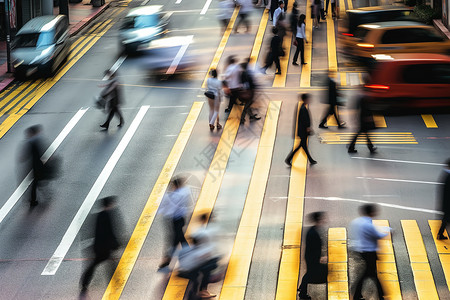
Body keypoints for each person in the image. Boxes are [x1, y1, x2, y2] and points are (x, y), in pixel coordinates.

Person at [80, 196, 120, 297]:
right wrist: (115, 243)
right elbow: (110, 232)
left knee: (96, 264)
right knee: (107, 263)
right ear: (109, 205)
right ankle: (114, 281)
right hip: (104, 247)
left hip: (98, 246)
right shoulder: (107, 216)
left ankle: (84, 283)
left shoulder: (99, 215)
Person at [350, 204, 389, 300]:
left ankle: (359, 294)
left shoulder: (356, 222)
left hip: (361, 250)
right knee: (370, 274)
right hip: (369, 252)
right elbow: (377, 235)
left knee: (370, 273)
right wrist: (388, 231)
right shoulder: (367, 224)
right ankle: (381, 295)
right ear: (371, 212)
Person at [158, 176, 191, 269]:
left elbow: (165, 204)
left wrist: (170, 188)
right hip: (181, 218)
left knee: (175, 240)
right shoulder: (185, 191)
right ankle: (187, 256)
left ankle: (168, 260)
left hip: (175, 220)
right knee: (179, 238)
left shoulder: (174, 196)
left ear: (175, 186)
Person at [298, 212, 328, 300]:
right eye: (322, 219)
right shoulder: (313, 233)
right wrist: (319, 258)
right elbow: (313, 248)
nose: (324, 220)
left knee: (309, 274)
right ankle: (302, 293)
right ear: (318, 220)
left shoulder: (313, 230)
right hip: (312, 258)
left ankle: (302, 290)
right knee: (310, 274)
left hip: (311, 257)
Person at [285, 93, 317, 166]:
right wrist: (308, 128)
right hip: (303, 131)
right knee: (302, 146)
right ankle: (288, 159)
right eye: (308, 99)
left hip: (303, 131)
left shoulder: (303, 107)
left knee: (302, 146)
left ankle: (310, 160)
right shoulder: (303, 109)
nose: (309, 100)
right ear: (305, 99)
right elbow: (303, 121)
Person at [23, 125, 45, 207]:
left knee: (35, 182)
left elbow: (26, 156)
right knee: (36, 182)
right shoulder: (34, 141)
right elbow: (38, 153)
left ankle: (33, 199)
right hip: (36, 165)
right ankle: (32, 200)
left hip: (33, 165)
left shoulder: (31, 141)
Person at [437, 159, 450, 240]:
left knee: (446, 220)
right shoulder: (448, 177)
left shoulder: (446, 175)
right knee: (446, 220)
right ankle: (440, 234)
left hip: (446, 204)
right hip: (448, 204)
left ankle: (440, 234)